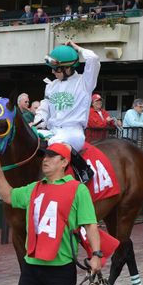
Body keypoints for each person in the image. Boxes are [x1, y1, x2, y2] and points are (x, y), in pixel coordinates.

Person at [0, 143, 101, 285]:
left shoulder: (78, 190)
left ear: (64, 162)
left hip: (61, 269)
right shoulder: (34, 188)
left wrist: (96, 255)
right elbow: (8, 195)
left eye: (51, 156)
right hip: (31, 267)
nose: (45, 160)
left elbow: (90, 225)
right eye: (44, 156)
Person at [33, 40, 100, 182]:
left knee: (54, 145)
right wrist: (37, 122)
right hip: (52, 131)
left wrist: (77, 48)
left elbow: (93, 58)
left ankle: (83, 171)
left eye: (56, 69)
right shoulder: (51, 86)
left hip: (72, 133)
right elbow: (44, 108)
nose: (53, 72)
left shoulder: (85, 82)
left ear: (68, 68)